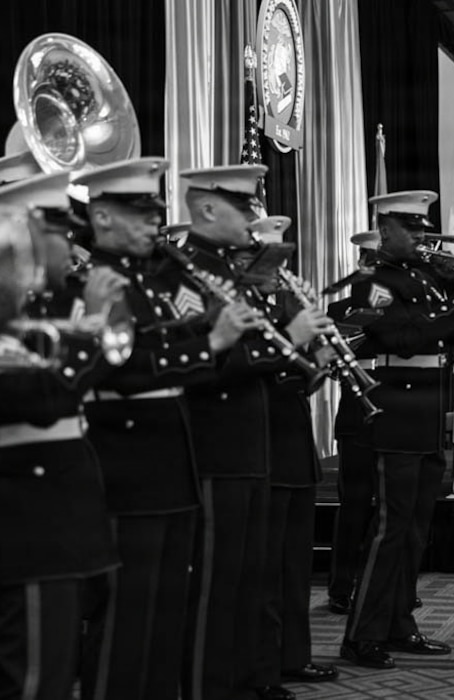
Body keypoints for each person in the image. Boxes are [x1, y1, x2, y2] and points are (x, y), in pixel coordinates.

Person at [75, 158, 257, 700]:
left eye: (156, 211)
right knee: (124, 622)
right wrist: (210, 343)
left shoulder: (148, 282)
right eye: (140, 213)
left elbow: (169, 354)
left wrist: (210, 342)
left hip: (169, 465)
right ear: (102, 217)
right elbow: (126, 369)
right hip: (127, 468)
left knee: (162, 616)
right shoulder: (98, 281)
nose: (156, 222)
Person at [0, 172, 123, 699]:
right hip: (26, 518)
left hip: (62, 512)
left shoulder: (43, 307)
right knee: (31, 680)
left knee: (54, 671)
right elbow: (44, 401)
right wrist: (94, 326)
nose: (72, 244)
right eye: (61, 232)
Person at [177, 165, 330, 700]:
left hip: (254, 443)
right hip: (215, 447)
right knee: (216, 589)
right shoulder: (186, 273)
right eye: (244, 208)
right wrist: (290, 338)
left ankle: (247, 679)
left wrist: (304, 353)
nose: (252, 218)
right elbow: (200, 366)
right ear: (208, 209)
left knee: (249, 580)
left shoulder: (231, 272)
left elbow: (254, 359)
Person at [341, 190, 454, 669]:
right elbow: (405, 340)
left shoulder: (426, 276)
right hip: (397, 406)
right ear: (384, 230)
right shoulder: (374, 282)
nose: (421, 234)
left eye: (422, 225)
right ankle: (361, 633)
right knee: (390, 528)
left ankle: (400, 622)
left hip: (430, 410)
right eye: (410, 226)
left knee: (415, 531)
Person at [246, 216, 339, 694]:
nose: (279, 270)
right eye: (271, 260)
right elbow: (251, 376)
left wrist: (319, 361)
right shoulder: (245, 309)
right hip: (261, 451)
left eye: (282, 260)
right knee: (263, 573)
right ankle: (261, 668)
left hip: (294, 450)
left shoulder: (276, 308)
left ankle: (293, 656)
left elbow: (295, 384)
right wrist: (295, 344)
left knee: (294, 569)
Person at [327, 230, 381, 616]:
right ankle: (341, 587)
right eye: (370, 261)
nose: (375, 269)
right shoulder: (338, 311)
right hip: (357, 414)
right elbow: (328, 367)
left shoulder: (403, 306)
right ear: (360, 264)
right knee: (355, 505)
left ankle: (387, 584)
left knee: (391, 508)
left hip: (398, 411)